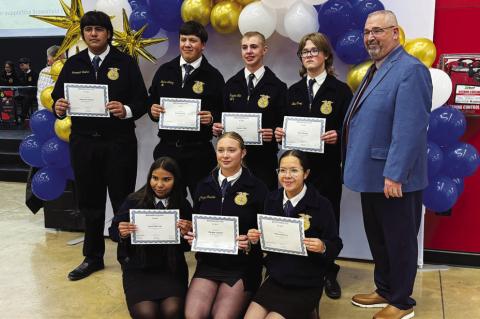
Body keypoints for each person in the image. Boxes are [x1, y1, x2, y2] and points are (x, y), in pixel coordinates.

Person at [342, 10, 432, 319]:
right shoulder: (377, 68)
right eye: (368, 31)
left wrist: (395, 174)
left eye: (378, 31)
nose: (371, 37)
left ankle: (402, 301)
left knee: (399, 240)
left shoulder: (410, 70)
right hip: (371, 174)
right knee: (379, 238)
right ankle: (384, 289)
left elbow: (409, 128)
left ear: (396, 33)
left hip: (393, 178)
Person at [52, 10, 148, 281]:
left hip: (118, 144)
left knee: (122, 200)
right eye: (88, 29)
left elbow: (142, 101)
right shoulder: (74, 63)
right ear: (83, 34)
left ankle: (127, 255)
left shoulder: (125, 62)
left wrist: (126, 109)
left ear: (108, 33)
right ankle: (92, 257)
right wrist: (59, 108)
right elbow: (59, 99)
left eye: (99, 29)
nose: (93, 34)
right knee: (90, 203)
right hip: (84, 144)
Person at [274, 32, 353, 299]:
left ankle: (328, 270)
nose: (309, 55)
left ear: (326, 55)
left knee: (327, 220)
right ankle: (292, 265)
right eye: (304, 52)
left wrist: (338, 136)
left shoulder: (341, 91)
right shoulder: (292, 91)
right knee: (293, 216)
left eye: (314, 51)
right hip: (296, 172)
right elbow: (283, 126)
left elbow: (353, 130)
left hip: (327, 168)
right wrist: (280, 134)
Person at [244, 150, 343, 319]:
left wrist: (323, 246)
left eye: (294, 170)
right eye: (282, 170)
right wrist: (255, 238)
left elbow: (335, 244)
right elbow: (268, 240)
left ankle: (308, 310)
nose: (287, 176)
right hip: (276, 278)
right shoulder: (271, 199)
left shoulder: (321, 204)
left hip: (307, 281)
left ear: (306, 173)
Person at [184, 132, 268, 319]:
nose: (225, 155)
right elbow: (197, 223)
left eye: (232, 150)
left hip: (242, 265)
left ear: (243, 153)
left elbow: (266, 234)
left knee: (221, 317)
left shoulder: (258, 188)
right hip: (209, 263)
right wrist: (192, 234)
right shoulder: (203, 185)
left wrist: (252, 241)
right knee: (193, 316)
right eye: (221, 150)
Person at [148, 20, 224, 197]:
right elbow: (151, 100)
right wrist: (152, 110)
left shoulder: (214, 76)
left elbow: (223, 111)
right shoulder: (164, 71)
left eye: (192, 40)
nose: (187, 44)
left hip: (199, 152)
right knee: (170, 203)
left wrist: (212, 118)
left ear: (203, 45)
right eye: (183, 40)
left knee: (202, 201)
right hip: (167, 150)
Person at [110, 157, 193, 319]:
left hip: (171, 268)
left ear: (176, 180)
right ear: (149, 178)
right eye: (155, 178)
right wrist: (121, 232)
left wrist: (187, 234)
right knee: (146, 313)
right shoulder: (133, 201)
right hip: (138, 268)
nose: (159, 184)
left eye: (166, 179)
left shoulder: (182, 204)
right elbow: (113, 231)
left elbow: (187, 246)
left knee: (172, 311)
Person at [212, 31, 287, 190]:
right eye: (244, 47)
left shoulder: (278, 87)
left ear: (264, 50)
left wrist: (274, 133)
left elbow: (284, 127)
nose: (249, 51)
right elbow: (220, 117)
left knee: (264, 208)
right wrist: (217, 127)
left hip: (263, 161)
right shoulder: (230, 85)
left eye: (254, 47)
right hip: (233, 162)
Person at [37, 45, 65, 110]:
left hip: (54, 112)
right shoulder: (44, 72)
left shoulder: (43, 71)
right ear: (58, 57)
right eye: (64, 57)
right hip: (50, 111)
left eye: (48, 56)